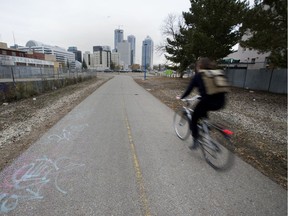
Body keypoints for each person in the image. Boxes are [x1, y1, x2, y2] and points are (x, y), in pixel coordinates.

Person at [176, 57, 226, 150]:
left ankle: (196, 140)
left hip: (207, 102)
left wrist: (182, 97)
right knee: (203, 111)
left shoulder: (199, 75)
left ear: (199, 66)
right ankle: (207, 127)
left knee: (194, 118)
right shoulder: (215, 74)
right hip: (221, 102)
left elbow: (189, 89)